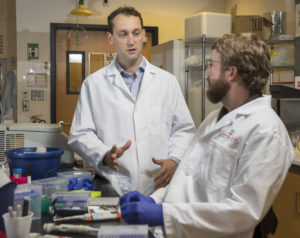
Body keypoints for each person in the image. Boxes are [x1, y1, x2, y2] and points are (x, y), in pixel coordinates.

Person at [120, 33, 295, 238]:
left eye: (211, 65)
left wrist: (162, 214)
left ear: (231, 72)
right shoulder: (214, 118)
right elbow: (186, 177)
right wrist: (154, 200)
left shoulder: (266, 130)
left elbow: (243, 213)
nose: (206, 72)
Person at [68, 6, 195, 196]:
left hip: (159, 187)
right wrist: (104, 154)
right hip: (114, 187)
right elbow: (80, 134)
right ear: (110, 38)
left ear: (144, 35)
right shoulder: (93, 85)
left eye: (136, 33)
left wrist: (175, 159)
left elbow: (183, 129)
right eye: (123, 34)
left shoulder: (167, 82)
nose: (131, 41)